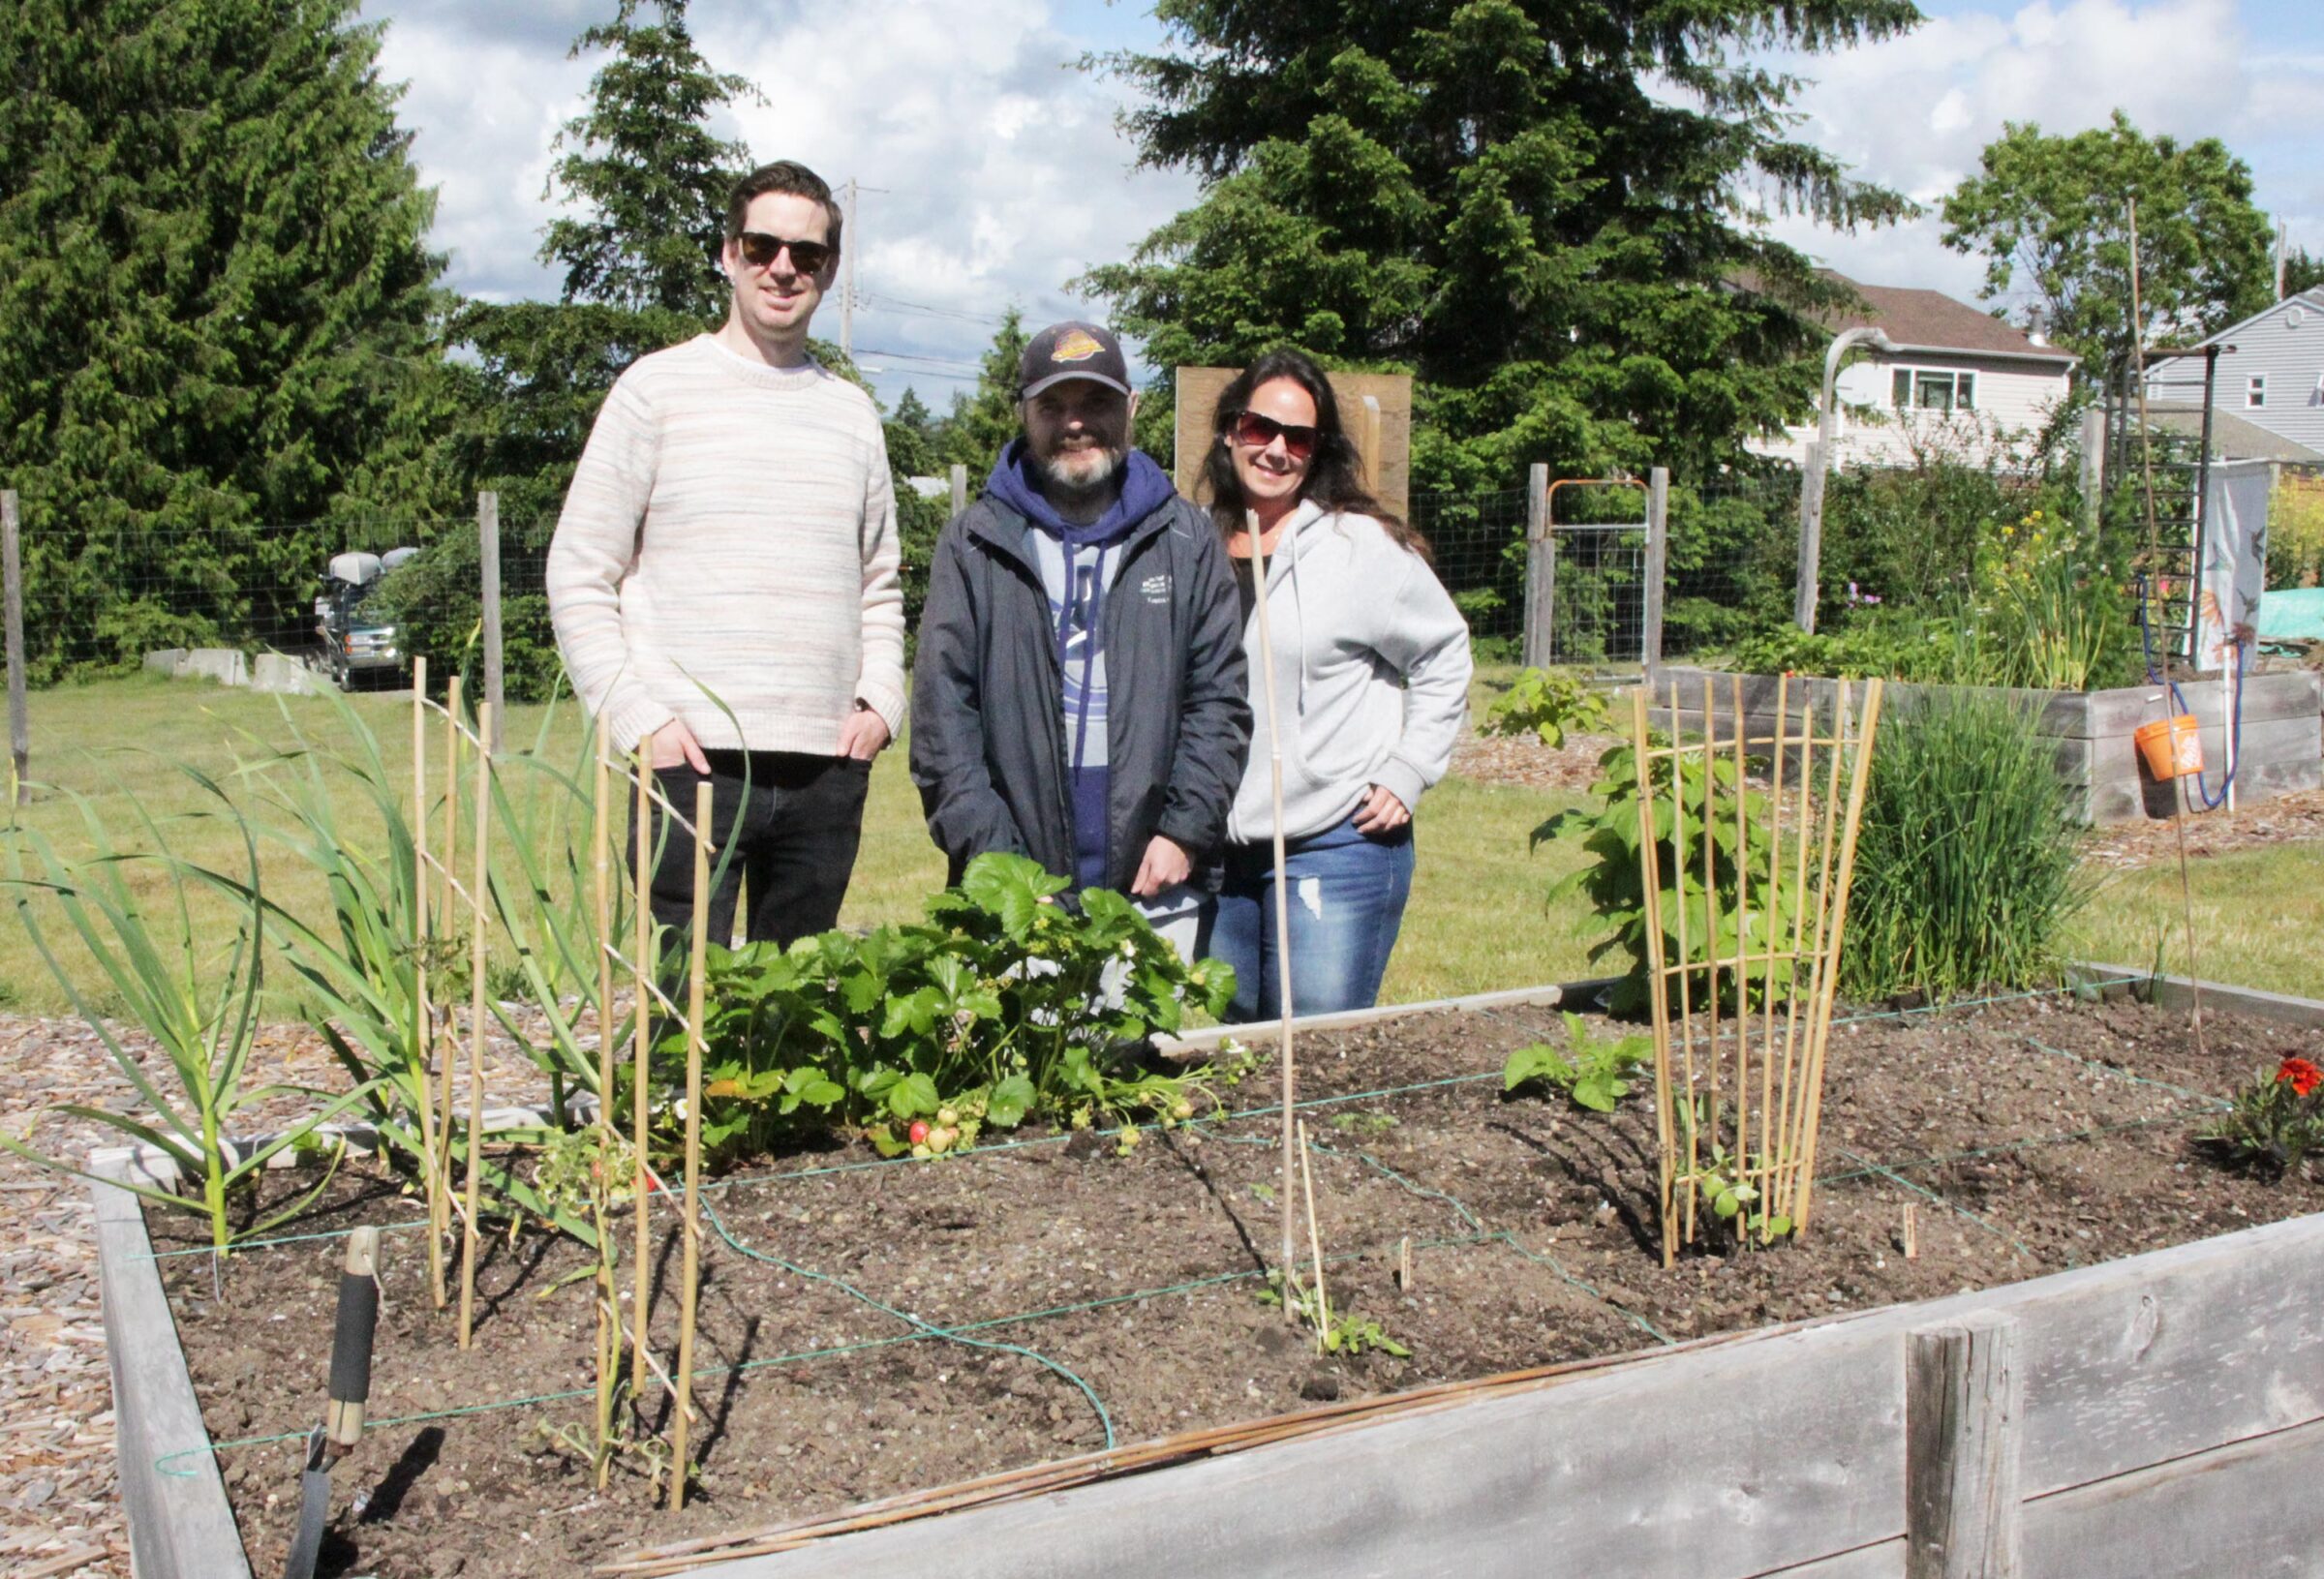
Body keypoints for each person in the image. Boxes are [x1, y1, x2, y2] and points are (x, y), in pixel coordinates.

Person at [547, 159, 903, 949]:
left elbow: (880, 583)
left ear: (830, 270)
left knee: (798, 1029)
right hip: (692, 767)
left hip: (824, 769)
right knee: (679, 1016)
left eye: (806, 254)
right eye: (763, 245)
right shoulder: (655, 391)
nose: (783, 267)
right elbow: (578, 572)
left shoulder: (852, 417)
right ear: (727, 253)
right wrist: (638, 718)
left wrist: (880, 700)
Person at [909, 321, 1250, 955]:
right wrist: (998, 862)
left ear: (1132, 407)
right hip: (1017, 883)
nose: (1074, 423)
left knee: (1135, 1049)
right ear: (1023, 414)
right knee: (1021, 1054)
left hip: (1156, 878)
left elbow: (1219, 701)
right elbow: (942, 719)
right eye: (1052, 406)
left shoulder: (1185, 540)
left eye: (1094, 402)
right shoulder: (975, 542)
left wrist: (1183, 830)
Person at [1201, 349, 1472, 1020]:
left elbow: (1444, 649)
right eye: (1261, 428)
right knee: (1241, 1050)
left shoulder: (1360, 548)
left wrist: (1408, 768)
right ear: (1232, 428)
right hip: (1222, 849)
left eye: (1299, 437)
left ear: (1318, 450)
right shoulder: (1193, 545)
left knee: (1316, 1051)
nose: (1277, 450)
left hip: (1335, 840)